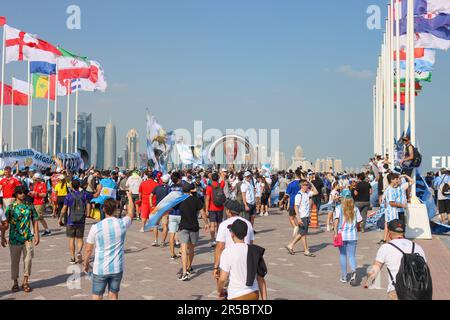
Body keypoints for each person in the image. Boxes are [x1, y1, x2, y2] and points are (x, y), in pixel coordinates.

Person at [84, 192, 135, 301]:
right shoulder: (122, 223)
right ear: (116, 209)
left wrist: (86, 263)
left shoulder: (96, 227)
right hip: (117, 267)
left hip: (100, 268)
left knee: (97, 296)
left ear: (103, 209)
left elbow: (88, 249)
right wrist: (130, 197)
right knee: (113, 295)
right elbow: (130, 213)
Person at [365, 219, 428, 300]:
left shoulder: (386, 247)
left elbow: (375, 269)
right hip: (417, 292)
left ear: (389, 232)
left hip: (396, 291)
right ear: (404, 232)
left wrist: (368, 282)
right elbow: (424, 269)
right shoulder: (417, 247)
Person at [217, 219, 268, 300]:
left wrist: (219, 291)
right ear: (245, 234)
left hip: (236, 295)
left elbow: (222, 278)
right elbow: (261, 279)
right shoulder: (255, 250)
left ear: (232, 234)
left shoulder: (227, 252)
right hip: (253, 293)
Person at [3, 186, 40, 293]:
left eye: (24, 192)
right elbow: (6, 223)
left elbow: (35, 220)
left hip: (27, 237)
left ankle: (25, 281)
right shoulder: (10, 208)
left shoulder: (30, 206)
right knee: (14, 261)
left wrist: (37, 235)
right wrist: (2, 237)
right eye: (20, 192)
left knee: (28, 260)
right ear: (15, 194)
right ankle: (15, 282)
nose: (22, 194)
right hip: (14, 238)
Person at [213, 200, 255, 282]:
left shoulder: (223, 225)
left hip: (228, 260)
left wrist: (216, 266)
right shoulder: (248, 223)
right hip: (244, 260)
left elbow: (220, 247)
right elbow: (250, 244)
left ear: (228, 211)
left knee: (225, 286)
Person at [177, 183, 210, 281]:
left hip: (183, 226)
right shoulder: (196, 200)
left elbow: (170, 208)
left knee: (183, 250)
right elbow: (203, 213)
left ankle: (184, 272)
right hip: (194, 226)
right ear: (191, 190)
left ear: (183, 191)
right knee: (191, 249)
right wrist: (206, 223)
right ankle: (189, 267)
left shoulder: (180, 200)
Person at [333, 189, 363, 285]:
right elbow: (360, 221)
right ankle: (354, 271)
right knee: (351, 255)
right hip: (353, 236)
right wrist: (356, 227)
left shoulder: (339, 208)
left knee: (342, 255)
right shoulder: (355, 208)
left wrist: (335, 232)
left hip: (342, 235)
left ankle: (344, 276)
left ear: (342, 197)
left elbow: (336, 221)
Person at [285, 179, 318, 257]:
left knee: (303, 234)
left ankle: (306, 250)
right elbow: (296, 207)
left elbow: (316, 192)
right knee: (302, 233)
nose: (307, 186)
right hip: (302, 216)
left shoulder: (307, 193)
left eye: (307, 185)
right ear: (301, 186)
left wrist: (311, 183)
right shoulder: (299, 195)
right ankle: (290, 245)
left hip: (306, 216)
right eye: (305, 185)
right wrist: (298, 218)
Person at [59, 179, 89, 264]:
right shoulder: (84, 195)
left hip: (70, 220)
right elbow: (86, 205)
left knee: (71, 239)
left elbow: (64, 209)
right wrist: (87, 213)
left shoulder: (68, 196)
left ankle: (72, 258)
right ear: (79, 186)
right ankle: (79, 251)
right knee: (80, 238)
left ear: (72, 185)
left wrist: (60, 218)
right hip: (81, 220)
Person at [379, 173, 407, 244]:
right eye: (396, 179)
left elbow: (383, 200)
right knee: (392, 228)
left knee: (388, 226)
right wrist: (401, 205)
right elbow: (391, 203)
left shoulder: (389, 189)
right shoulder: (390, 190)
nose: (397, 180)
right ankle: (391, 243)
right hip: (392, 212)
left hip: (390, 211)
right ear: (392, 180)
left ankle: (387, 241)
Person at [205, 172, 226, 247]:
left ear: (211, 178)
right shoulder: (221, 185)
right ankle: (219, 238)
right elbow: (223, 179)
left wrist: (206, 210)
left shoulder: (209, 187)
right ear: (218, 178)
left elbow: (207, 199)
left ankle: (213, 240)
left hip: (212, 208)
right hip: (220, 207)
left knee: (212, 225)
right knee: (219, 224)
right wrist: (222, 174)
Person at [150, 174, 171, 247]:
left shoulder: (157, 187)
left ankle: (155, 240)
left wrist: (151, 205)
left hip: (157, 207)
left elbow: (151, 195)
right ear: (168, 181)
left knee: (155, 224)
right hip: (166, 208)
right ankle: (163, 242)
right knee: (165, 225)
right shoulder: (169, 188)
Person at [284, 169, 302, 236]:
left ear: (294, 175)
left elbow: (287, 194)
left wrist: (283, 200)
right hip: (301, 203)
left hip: (292, 202)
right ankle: (300, 229)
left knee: (291, 217)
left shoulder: (291, 184)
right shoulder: (303, 184)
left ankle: (295, 227)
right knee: (298, 217)